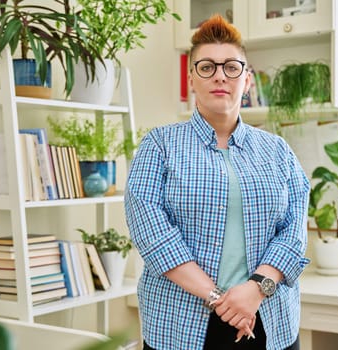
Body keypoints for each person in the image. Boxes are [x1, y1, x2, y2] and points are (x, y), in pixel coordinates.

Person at [124, 14, 310, 350]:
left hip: (268, 321)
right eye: (207, 67)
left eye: (231, 67)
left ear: (247, 80)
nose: (220, 76)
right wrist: (219, 299)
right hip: (180, 325)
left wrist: (254, 290)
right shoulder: (160, 145)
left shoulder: (278, 151)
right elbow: (153, 236)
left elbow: (294, 233)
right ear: (191, 79)